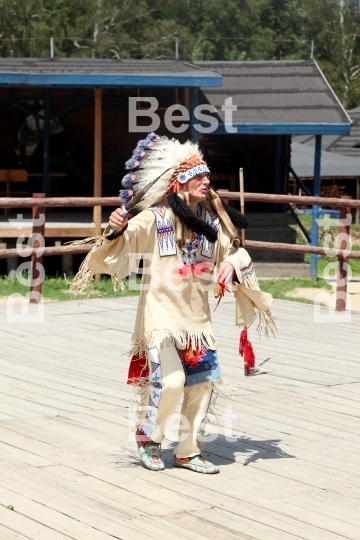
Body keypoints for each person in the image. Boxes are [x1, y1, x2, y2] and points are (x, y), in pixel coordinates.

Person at [71, 133, 276, 474]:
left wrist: (231, 263)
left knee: (203, 385)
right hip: (161, 318)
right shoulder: (154, 219)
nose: (206, 180)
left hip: (197, 322)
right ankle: (149, 438)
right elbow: (118, 250)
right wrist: (114, 229)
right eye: (197, 176)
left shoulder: (213, 223)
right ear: (178, 184)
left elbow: (238, 252)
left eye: (207, 175)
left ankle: (188, 449)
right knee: (172, 383)